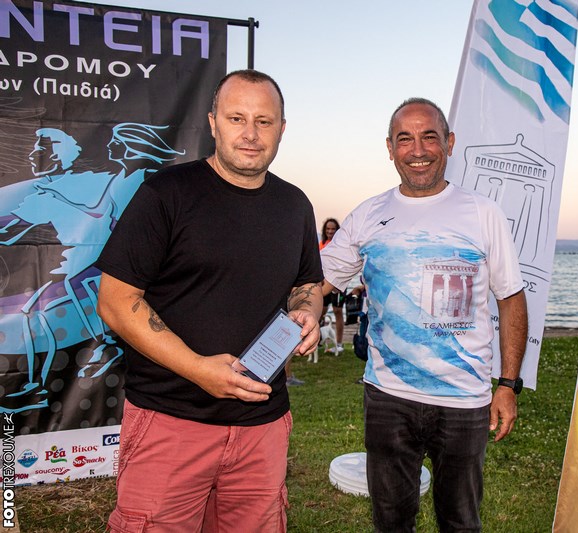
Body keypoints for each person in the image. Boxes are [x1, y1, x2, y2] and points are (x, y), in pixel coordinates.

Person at [96, 69, 323, 532]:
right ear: (213, 122)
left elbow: (307, 283)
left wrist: (307, 310)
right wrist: (199, 369)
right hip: (171, 420)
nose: (250, 133)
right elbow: (116, 302)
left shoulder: (295, 204)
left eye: (264, 121)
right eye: (237, 118)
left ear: (282, 128)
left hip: (262, 424)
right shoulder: (166, 193)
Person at [320, 97, 528, 532]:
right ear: (390, 148)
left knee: (460, 521)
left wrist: (508, 385)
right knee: (391, 522)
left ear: (449, 143)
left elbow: (511, 298)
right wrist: (295, 306)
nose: (417, 150)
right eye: (405, 139)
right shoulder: (368, 214)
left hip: (464, 400)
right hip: (388, 397)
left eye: (429, 137)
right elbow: (321, 280)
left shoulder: (482, 213)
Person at [318, 217, 345, 354]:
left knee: (337, 311)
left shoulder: (341, 245)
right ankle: (317, 341)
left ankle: (339, 344)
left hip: (337, 283)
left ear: (337, 230)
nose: (330, 231)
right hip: (323, 283)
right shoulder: (321, 244)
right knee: (320, 312)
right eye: (328, 229)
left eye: (333, 229)